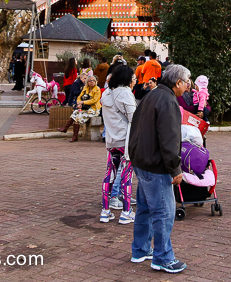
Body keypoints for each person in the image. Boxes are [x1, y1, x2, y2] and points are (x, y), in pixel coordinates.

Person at [128, 64, 189, 274]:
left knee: (145, 209)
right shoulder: (167, 100)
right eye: (186, 82)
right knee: (163, 212)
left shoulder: (151, 96)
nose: (188, 86)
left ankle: (140, 250)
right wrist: (175, 168)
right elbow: (169, 138)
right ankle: (162, 257)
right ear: (178, 82)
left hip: (142, 160)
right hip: (155, 165)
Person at [100, 64, 137, 224]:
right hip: (125, 141)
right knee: (127, 177)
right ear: (127, 79)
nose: (135, 81)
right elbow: (134, 119)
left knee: (110, 174)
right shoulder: (125, 94)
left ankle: (105, 211)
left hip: (112, 140)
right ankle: (126, 212)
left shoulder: (107, 94)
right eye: (134, 78)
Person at [59, 75, 101, 142]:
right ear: (87, 82)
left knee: (77, 117)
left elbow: (94, 100)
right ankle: (68, 130)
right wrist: (79, 103)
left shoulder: (97, 89)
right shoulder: (85, 88)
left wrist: (83, 102)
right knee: (76, 112)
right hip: (85, 107)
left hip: (93, 109)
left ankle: (70, 132)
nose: (92, 82)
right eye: (90, 80)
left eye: (93, 80)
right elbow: (79, 97)